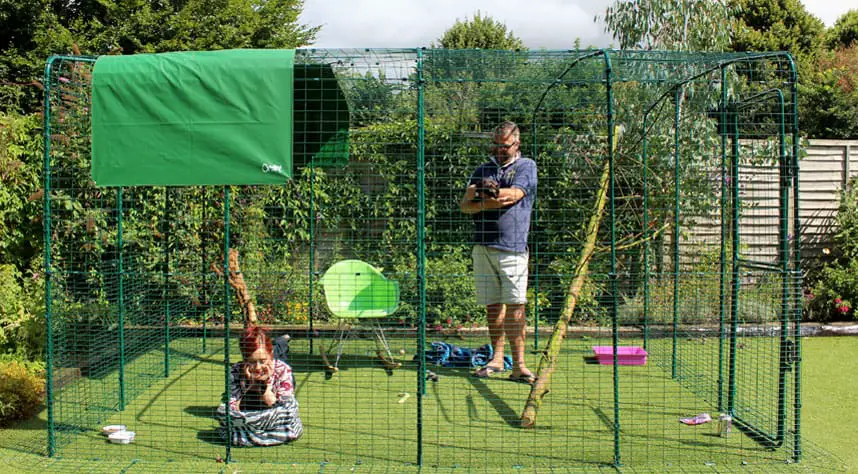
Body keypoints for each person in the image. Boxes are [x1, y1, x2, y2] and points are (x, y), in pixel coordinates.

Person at [460, 121, 537, 385]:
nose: (499, 150)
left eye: (504, 146)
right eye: (495, 144)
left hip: (512, 247)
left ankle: (520, 366)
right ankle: (496, 359)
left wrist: (481, 197)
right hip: (483, 247)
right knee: (493, 307)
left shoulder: (526, 166)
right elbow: (464, 205)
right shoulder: (482, 168)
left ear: (516, 143)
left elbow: (513, 195)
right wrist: (481, 195)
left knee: (516, 307)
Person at [217, 326, 303, 446]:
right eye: (251, 362)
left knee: (280, 350)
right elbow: (232, 409)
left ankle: (282, 341)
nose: (257, 367)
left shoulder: (283, 370)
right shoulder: (236, 371)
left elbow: (286, 410)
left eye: (262, 361)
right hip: (265, 415)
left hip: (275, 372)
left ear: (270, 355)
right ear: (244, 359)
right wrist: (252, 385)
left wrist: (265, 389)